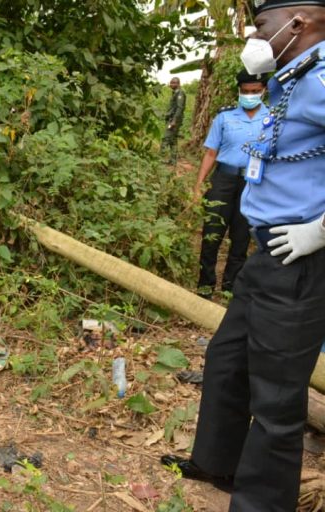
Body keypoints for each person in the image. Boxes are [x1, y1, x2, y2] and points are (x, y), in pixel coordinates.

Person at [162, 1, 325, 510]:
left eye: (261, 24)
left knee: (277, 399)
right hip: (264, 252)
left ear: (299, 21)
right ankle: (217, 463)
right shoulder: (292, 78)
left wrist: (321, 230)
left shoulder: (322, 80)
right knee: (227, 360)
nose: (256, 33)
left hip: (299, 258)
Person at [194, 71, 270, 298]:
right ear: (239, 91)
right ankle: (205, 286)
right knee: (212, 232)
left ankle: (231, 288)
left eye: (255, 92)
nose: (250, 95)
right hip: (223, 180)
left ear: (263, 91)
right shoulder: (224, 118)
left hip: (253, 183)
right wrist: (199, 184)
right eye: (245, 92)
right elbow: (210, 153)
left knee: (241, 236)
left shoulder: (272, 119)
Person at [161, 77, 186, 165]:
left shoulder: (180, 93)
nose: (172, 84)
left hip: (174, 120)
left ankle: (159, 160)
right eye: (171, 83)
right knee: (173, 140)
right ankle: (173, 161)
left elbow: (180, 108)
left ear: (178, 84)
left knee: (166, 138)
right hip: (172, 118)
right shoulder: (175, 93)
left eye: (174, 83)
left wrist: (174, 121)